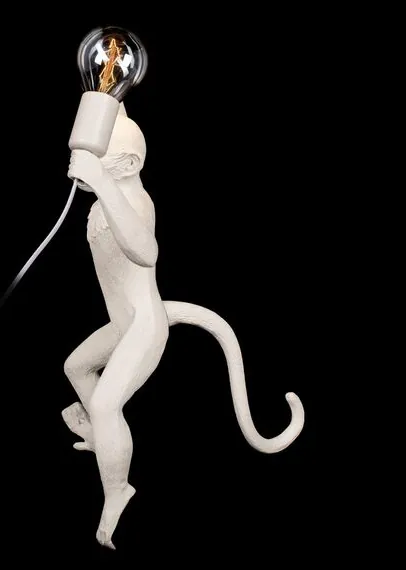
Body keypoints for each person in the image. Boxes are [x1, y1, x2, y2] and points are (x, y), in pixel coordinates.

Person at [63, 104, 304, 549]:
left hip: (144, 326)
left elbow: (146, 251)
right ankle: (105, 441)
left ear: (128, 164)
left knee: (105, 404)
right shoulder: (102, 201)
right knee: (76, 368)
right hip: (122, 322)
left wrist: (101, 181)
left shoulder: (136, 202)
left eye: (101, 155)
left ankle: (118, 490)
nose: (84, 157)